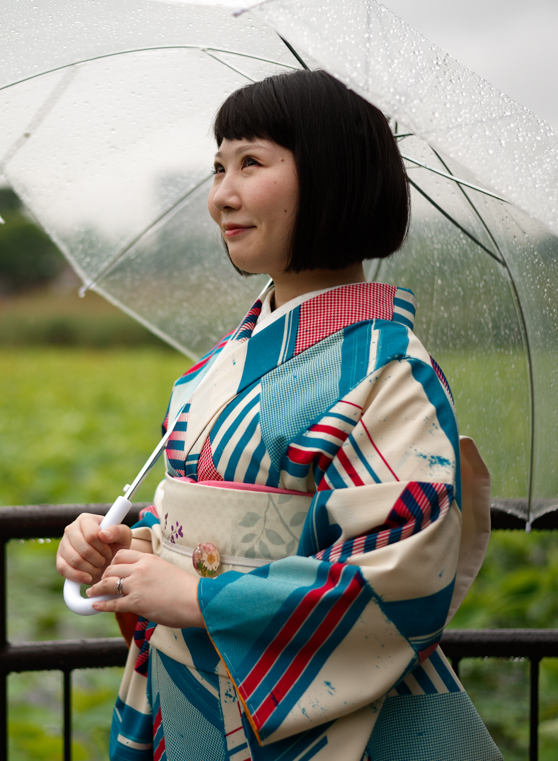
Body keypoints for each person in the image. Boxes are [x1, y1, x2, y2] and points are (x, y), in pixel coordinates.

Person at [56, 69, 499, 761]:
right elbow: (201, 536)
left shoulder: (387, 369)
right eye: (218, 167)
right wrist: (134, 552)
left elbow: (399, 569)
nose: (220, 196)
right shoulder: (219, 365)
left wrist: (200, 598)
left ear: (330, 177)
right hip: (189, 697)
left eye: (251, 163)